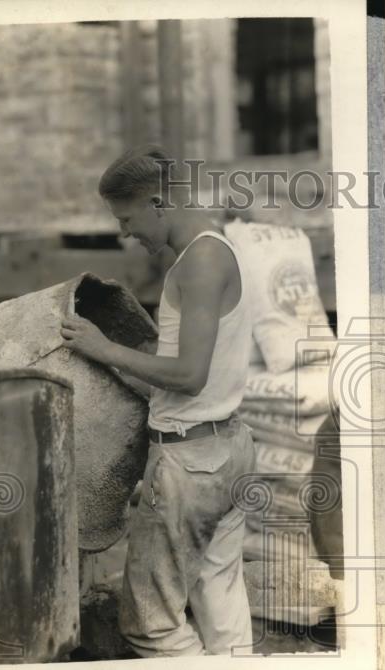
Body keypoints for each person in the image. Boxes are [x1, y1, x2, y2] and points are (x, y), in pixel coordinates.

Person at [61, 145, 256, 655]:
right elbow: (191, 376)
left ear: (158, 202)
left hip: (191, 462)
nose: (125, 232)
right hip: (225, 446)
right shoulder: (215, 249)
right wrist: (116, 368)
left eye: (127, 217)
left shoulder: (199, 264)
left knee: (151, 623)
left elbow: (190, 375)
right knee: (219, 600)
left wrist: (105, 348)